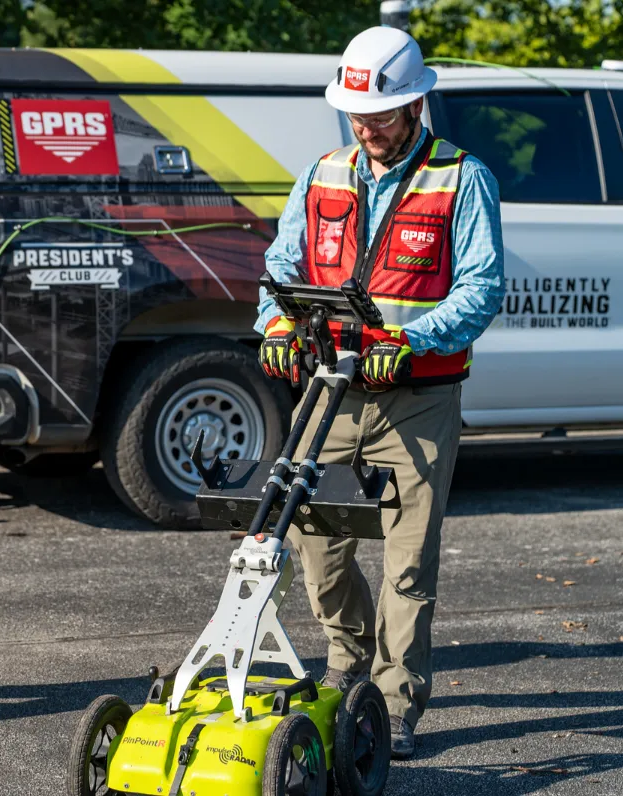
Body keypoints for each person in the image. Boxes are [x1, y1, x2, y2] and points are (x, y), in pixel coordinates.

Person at [256, 27, 505, 758]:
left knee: (407, 560)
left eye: (382, 115)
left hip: (417, 398)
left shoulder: (463, 178)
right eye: (357, 115)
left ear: (417, 104)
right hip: (330, 388)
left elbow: (482, 288)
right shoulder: (324, 172)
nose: (366, 128)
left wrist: (413, 340)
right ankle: (347, 656)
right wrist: (273, 323)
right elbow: (281, 261)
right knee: (313, 537)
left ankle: (396, 701)